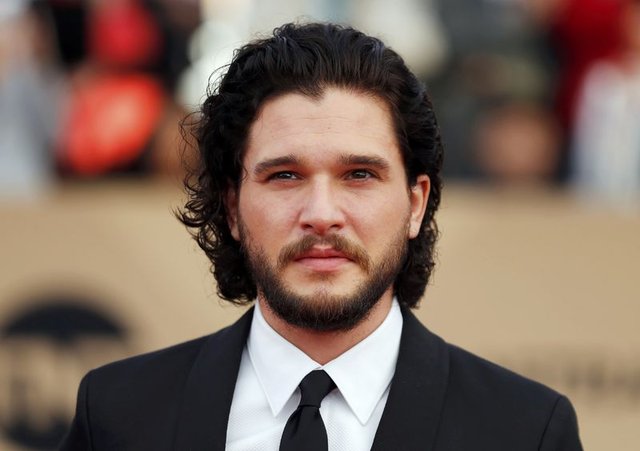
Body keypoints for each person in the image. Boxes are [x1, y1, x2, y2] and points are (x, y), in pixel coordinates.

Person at [59, 22, 583, 450]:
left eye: (359, 175)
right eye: (285, 175)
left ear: (415, 204)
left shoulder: (524, 431)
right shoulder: (117, 416)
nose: (322, 214)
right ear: (232, 207)